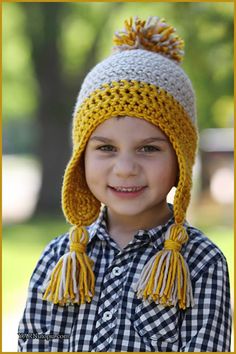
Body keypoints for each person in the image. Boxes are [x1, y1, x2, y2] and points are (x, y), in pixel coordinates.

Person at [18, 16, 232, 352]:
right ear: (81, 159)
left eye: (148, 148)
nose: (125, 169)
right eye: (106, 148)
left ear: (181, 160)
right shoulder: (58, 261)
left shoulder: (202, 263)